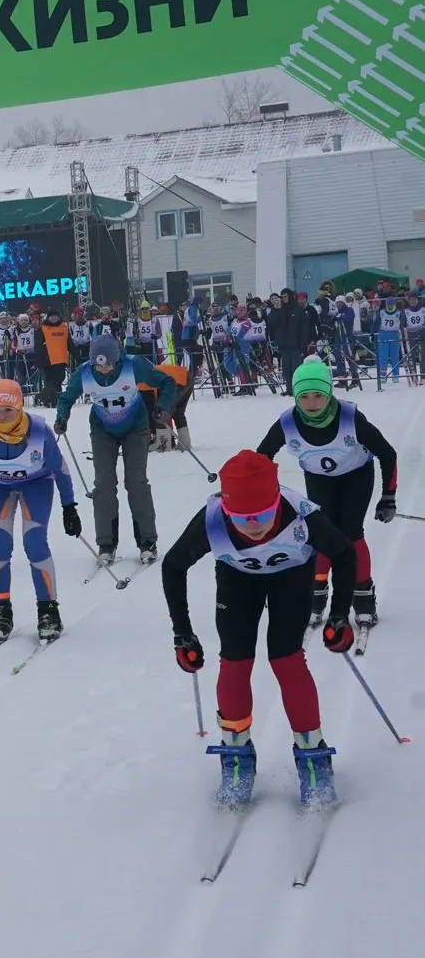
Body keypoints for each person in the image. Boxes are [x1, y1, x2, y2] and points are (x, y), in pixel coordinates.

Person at [161, 451, 355, 806]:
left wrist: (339, 614)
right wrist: (182, 633)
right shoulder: (212, 520)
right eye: (241, 518)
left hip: (291, 579)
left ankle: (313, 756)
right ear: (226, 508)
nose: (253, 526)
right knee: (234, 661)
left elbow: (344, 554)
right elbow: (173, 566)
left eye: (263, 515)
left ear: (277, 500)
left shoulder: (303, 516)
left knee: (286, 659)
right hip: (238, 581)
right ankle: (236, 757)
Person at [254, 359, 398, 630]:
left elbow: (387, 453)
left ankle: (363, 597)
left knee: (351, 534)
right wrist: (256, 493)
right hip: (319, 479)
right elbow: (261, 458)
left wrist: (388, 496)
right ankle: (317, 592)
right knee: (322, 534)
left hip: (356, 476)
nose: (312, 403)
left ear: (330, 392)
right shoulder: (287, 422)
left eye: (319, 395)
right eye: (304, 396)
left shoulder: (349, 417)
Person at [0, 379, 78, 644]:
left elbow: (60, 469)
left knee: (35, 543)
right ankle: (0, 612)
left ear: (20, 407)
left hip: (36, 484)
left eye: (8, 410)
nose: (1, 417)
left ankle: (48, 611)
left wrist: (69, 507)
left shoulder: (38, 430)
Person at [56, 333, 176, 565]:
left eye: (109, 364)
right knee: (103, 485)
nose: (103, 370)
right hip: (103, 431)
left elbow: (167, 382)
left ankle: (147, 541)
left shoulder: (134, 365)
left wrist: (162, 406)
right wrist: (62, 417)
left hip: (135, 428)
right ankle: (106, 543)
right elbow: (66, 397)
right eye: (98, 365)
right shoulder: (84, 372)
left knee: (136, 482)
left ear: (117, 359)